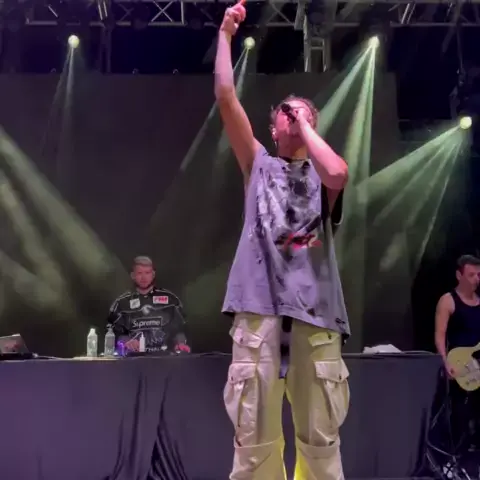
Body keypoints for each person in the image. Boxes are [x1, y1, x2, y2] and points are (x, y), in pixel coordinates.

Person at [215, 3, 351, 479]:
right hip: (259, 313)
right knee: (255, 444)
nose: (293, 119)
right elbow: (226, 97)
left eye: (304, 115)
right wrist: (226, 35)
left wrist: (306, 124)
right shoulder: (259, 164)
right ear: (272, 129)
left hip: (317, 315)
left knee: (320, 446)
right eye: (286, 116)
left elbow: (338, 173)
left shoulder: (321, 174)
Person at [435, 254, 480, 453]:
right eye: (471, 275)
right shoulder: (448, 301)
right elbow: (439, 335)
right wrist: (445, 362)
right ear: (459, 275)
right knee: (459, 416)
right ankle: (452, 457)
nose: (476, 279)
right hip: (459, 366)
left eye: (478, 275)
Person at [107, 256, 190, 354]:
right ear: (133, 275)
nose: (144, 277)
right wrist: (126, 342)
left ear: (153, 274)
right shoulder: (121, 303)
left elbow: (180, 329)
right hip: (132, 358)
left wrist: (180, 343)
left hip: (165, 358)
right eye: (139, 273)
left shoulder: (170, 300)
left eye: (147, 273)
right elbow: (113, 332)